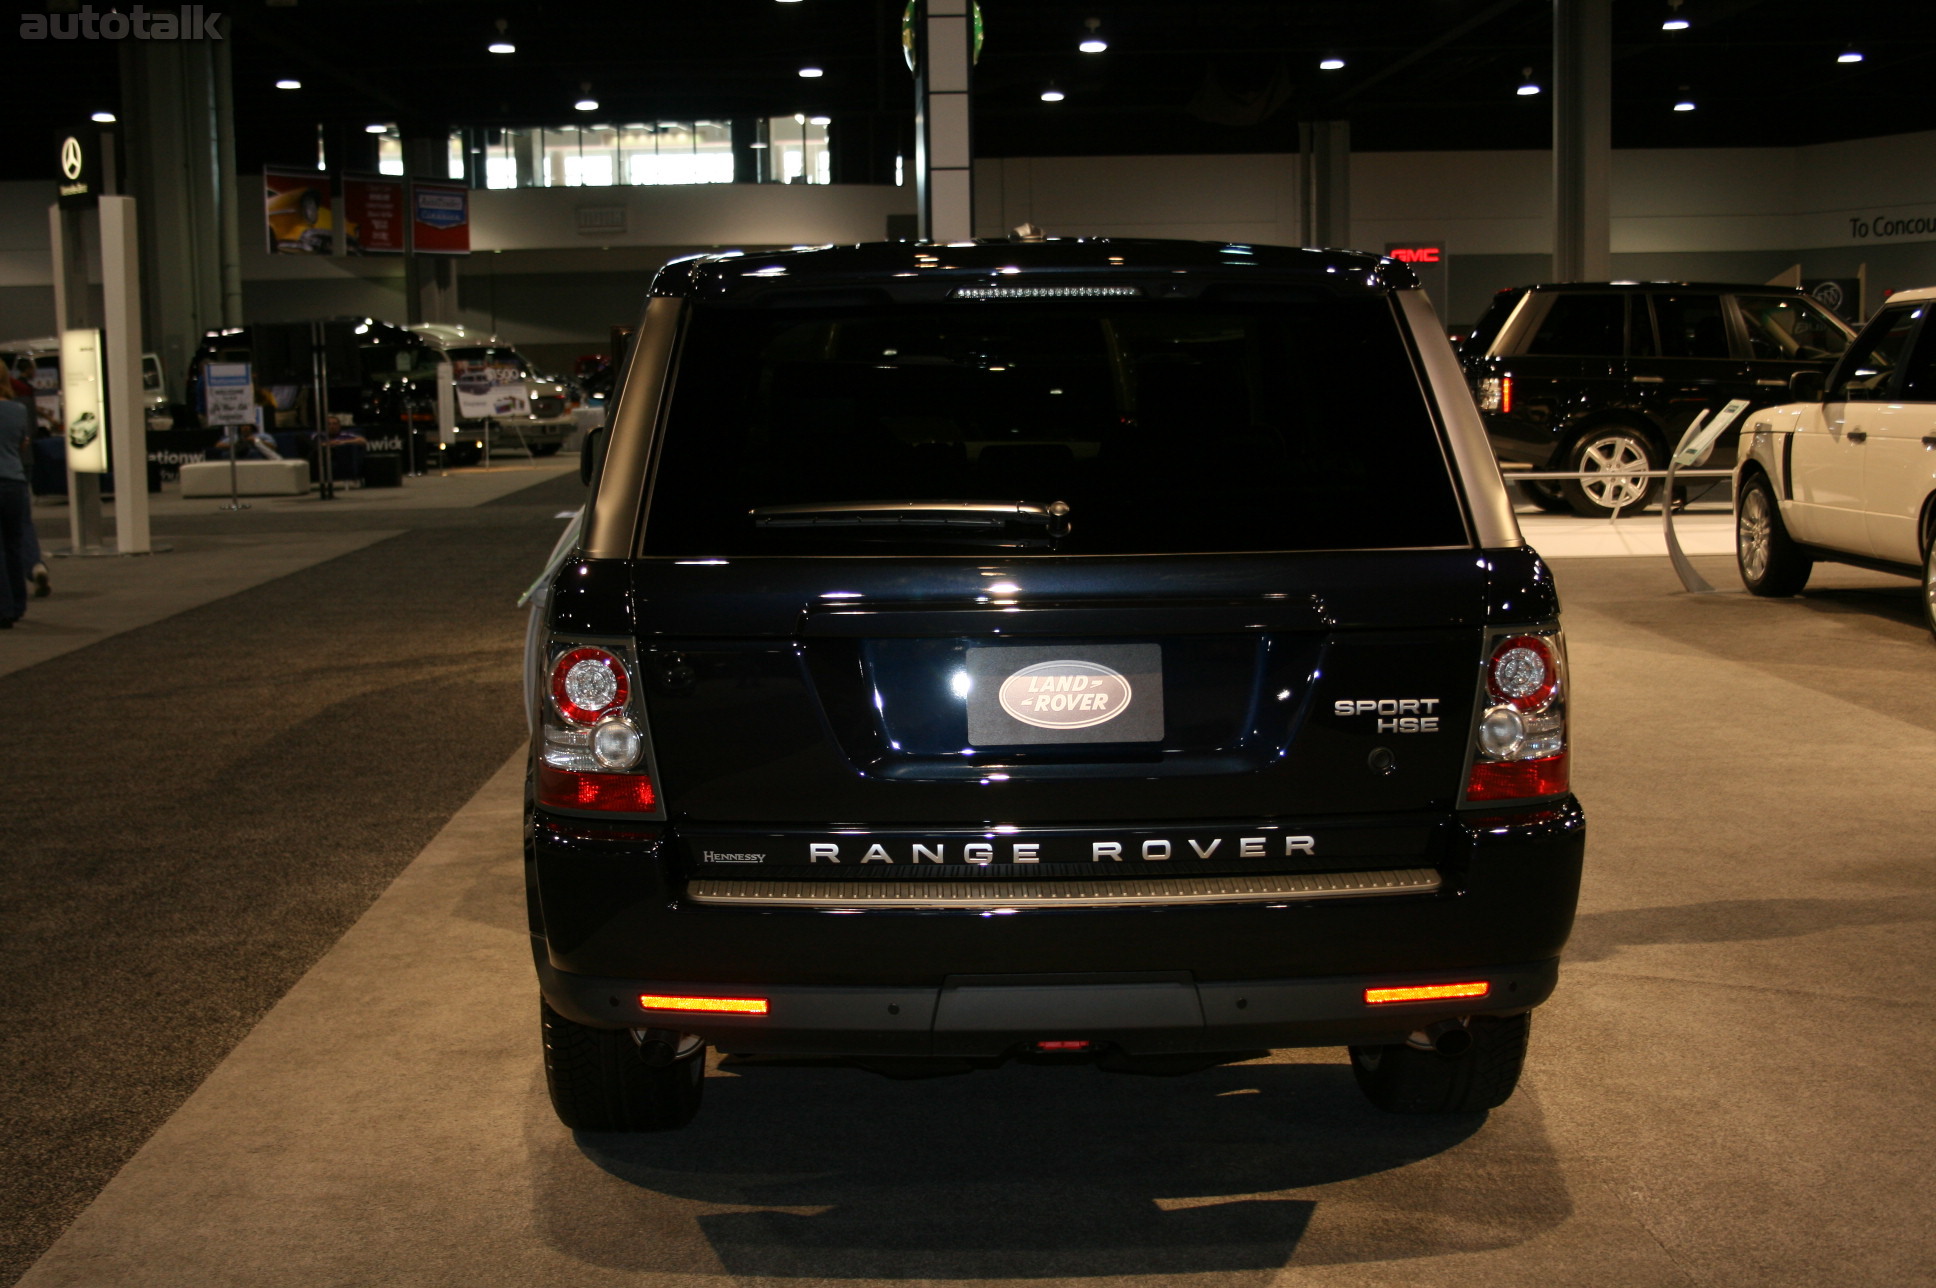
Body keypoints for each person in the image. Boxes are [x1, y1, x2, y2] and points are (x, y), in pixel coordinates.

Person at [7, 376, 49, 598]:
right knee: (22, 523)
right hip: (20, 466)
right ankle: (35, 566)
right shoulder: (19, 404)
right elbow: (26, 438)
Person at [0, 385, 32, 627]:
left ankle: (4, 608)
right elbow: (23, 444)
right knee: (13, 544)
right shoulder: (18, 409)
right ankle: (18, 604)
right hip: (14, 482)